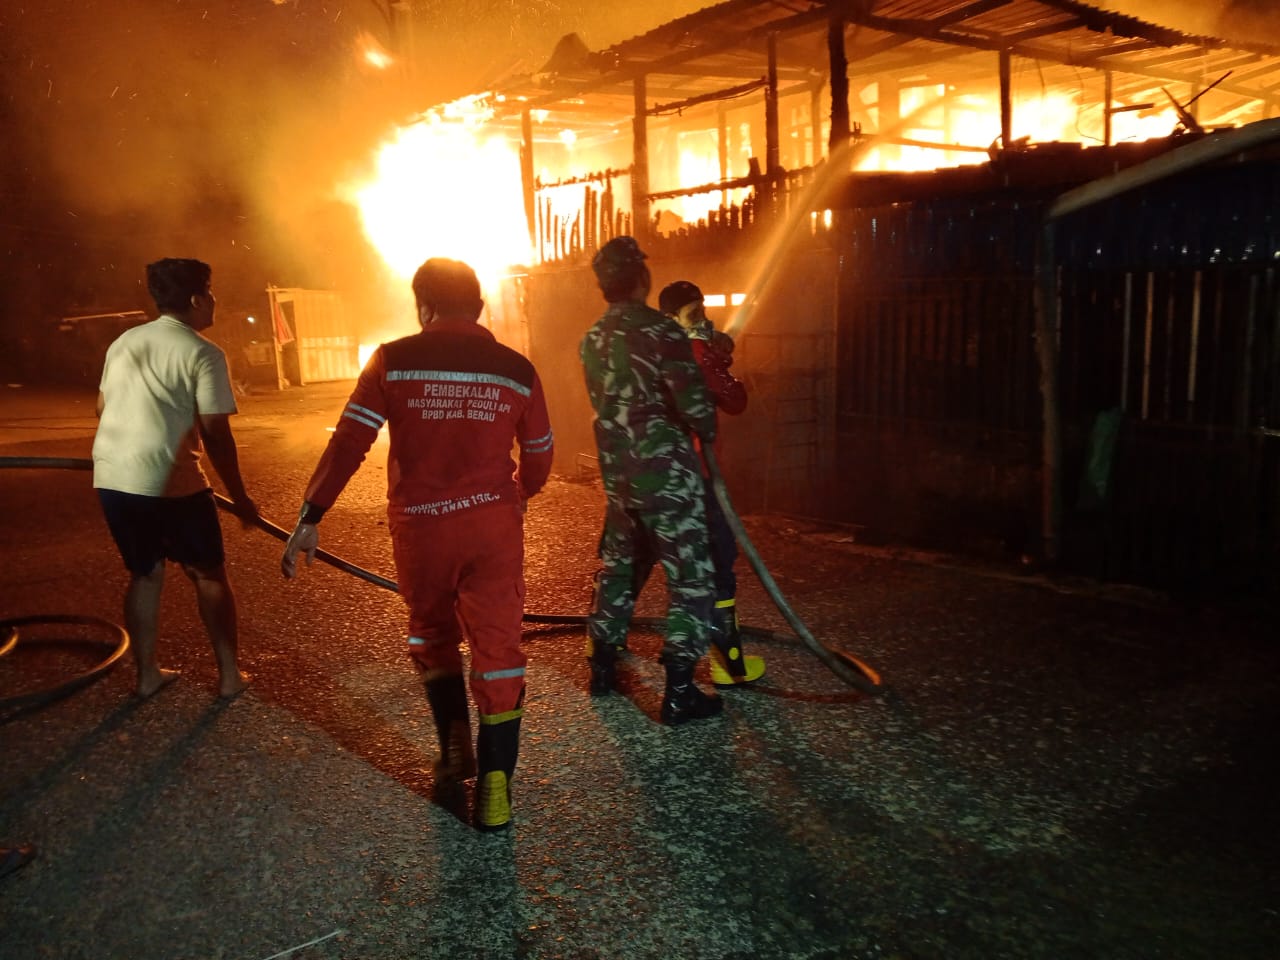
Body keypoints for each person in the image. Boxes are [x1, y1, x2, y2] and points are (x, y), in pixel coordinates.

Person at [280, 258, 553, 833]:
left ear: (423, 307)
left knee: (431, 633)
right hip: (491, 529)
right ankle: (497, 787)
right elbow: (540, 454)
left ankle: (455, 747)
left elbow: (351, 439)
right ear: (479, 307)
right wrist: (520, 493)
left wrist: (311, 514)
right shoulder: (517, 369)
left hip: (422, 529)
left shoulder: (392, 359)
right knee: (498, 647)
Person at [92, 258, 256, 700]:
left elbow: (102, 410)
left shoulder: (123, 343)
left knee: (145, 574)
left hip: (111, 478)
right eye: (212, 291)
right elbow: (216, 434)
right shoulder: (203, 352)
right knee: (207, 574)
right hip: (169, 480)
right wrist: (241, 497)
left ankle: (146, 676)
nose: (215, 300)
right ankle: (228, 677)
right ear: (198, 298)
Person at [579, 236, 723, 725]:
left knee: (620, 570)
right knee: (691, 578)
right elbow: (696, 406)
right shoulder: (663, 332)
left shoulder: (592, 338)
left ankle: (601, 668)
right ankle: (680, 692)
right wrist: (705, 426)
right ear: (641, 278)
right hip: (668, 479)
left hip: (621, 479)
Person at [657, 280, 765, 687]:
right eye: (694, 313)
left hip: (649, 476)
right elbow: (735, 400)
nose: (703, 319)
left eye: (703, 310)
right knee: (719, 558)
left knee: (633, 556)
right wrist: (717, 356)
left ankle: (602, 651)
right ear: (674, 317)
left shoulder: (647, 351)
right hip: (695, 477)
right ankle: (729, 664)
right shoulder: (696, 353)